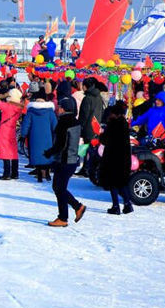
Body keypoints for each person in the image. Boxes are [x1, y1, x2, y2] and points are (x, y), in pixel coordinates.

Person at [44, 97, 86, 227]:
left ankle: (65, 216)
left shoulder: (64, 122)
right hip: (71, 159)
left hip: (64, 160)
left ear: (63, 108)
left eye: (59, 107)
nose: (58, 109)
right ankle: (75, 208)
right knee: (58, 188)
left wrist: (49, 152)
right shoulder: (75, 121)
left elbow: (61, 143)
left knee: (59, 188)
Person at [99, 102, 133, 214]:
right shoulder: (124, 124)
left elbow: (104, 140)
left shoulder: (112, 124)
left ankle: (116, 206)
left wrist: (101, 134)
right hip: (124, 157)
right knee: (121, 182)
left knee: (113, 182)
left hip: (112, 157)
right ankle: (127, 204)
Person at [20, 89, 57, 183]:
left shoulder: (31, 111)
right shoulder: (50, 112)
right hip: (47, 137)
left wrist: (23, 134)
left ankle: (39, 174)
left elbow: (26, 125)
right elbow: (55, 126)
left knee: (37, 154)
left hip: (34, 137)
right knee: (47, 154)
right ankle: (47, 173)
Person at [0, 87, 23, 180]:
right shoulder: (19, 107)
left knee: (5, 151)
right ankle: (15, 173)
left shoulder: (8, 106)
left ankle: (7, 173)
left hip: (5, 130)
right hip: (13, 129)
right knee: (13, 151)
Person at [78, 77, 106, 179]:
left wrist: (80, 126)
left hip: (87, 127)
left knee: (85, 147)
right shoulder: (98, 97)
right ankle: (88, 167)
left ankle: (85, 168)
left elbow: (84, 115)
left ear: (85, 86)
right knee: (92, 148)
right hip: (96, 126)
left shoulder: (88, 98)